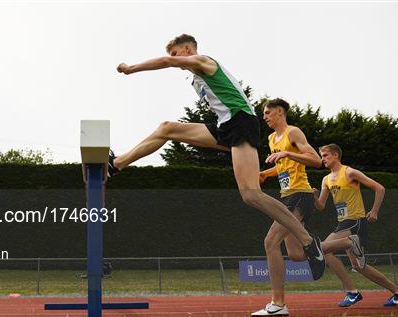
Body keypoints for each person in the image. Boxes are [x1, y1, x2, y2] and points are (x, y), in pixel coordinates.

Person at [113, 33, 325, 280]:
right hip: (226, 126)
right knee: (166, 128)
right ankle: (115, 164)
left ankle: (309, 242)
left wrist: (131, 68)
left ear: (188, 48)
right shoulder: (196, 76)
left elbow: (166, 62)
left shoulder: (204, 61)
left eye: (176, 53)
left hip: (241, 123)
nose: (173, 60)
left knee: (251, 195)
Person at [251, 99, 364, 317]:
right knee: (296, 255)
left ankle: (278, 303)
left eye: (267, 112)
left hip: (300, 196)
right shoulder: (272, 138)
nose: (264, 117)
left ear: (280, 112)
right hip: (286, 197)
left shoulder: (293, 133)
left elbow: (314, 160)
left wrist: (288, 153)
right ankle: (348, 242)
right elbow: (283, 165)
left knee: (270, 241)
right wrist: (267, 173)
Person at [313, 144, 398, 309]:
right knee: (359, 266)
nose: (323, 159)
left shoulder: (349, 172)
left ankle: (352, 292)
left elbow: (380, 188)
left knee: (323, 249)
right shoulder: (326, 180)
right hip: (343, 222)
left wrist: (374, 211)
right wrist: (314, 197)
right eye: (321, 156)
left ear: (336, 155)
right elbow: (320, 206)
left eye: (326, 155)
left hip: (355, 221)